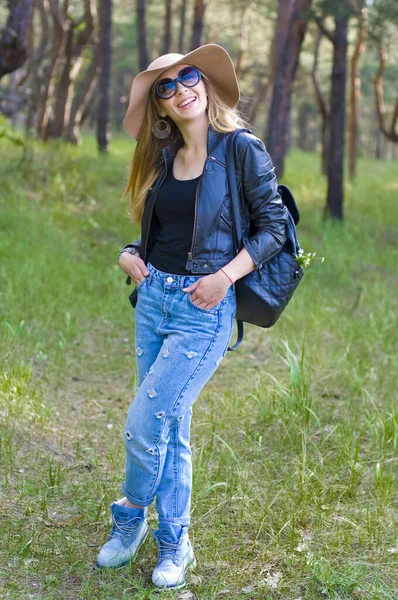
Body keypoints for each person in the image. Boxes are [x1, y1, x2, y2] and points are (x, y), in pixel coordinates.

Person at [96, 43, 288, 590]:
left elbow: (275, 228)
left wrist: (225, 276)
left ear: (204, 84)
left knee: (143, 421)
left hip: (205, 307)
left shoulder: (242, 149)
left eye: (188, 77)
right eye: (166, 86)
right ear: (160, 105)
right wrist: (130, 255)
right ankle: (175, 543)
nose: (182, 89)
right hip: (154, 300)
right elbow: (166, 234)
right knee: (169, 425)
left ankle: (130, 515)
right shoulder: (164, 159)